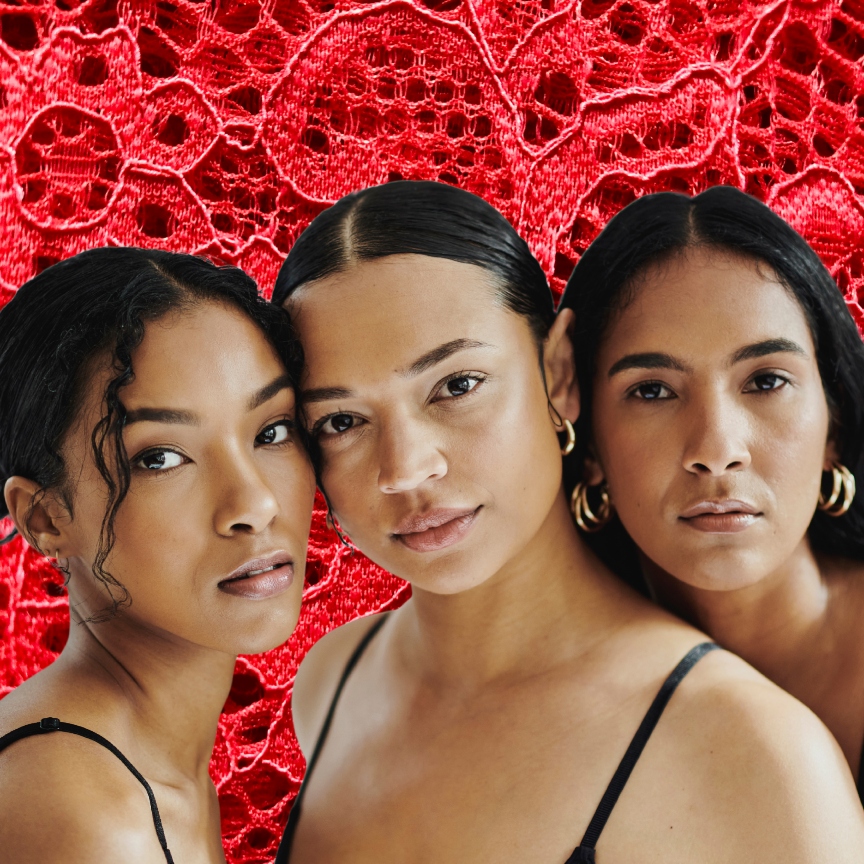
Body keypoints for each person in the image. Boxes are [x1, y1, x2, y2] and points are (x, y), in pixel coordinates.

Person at [271, 180, 864, 864]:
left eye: (457, 386)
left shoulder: (758, 755)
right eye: (342, 421)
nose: (405, 469)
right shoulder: (329, 682)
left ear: (558, 373)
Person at [0, 248, 316, 863]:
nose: (254, 503)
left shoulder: (130, 770)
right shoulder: (90, 817)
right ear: (44, 518)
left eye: (271, 430)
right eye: (160, 458)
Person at [557, 185, 864, 806]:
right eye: (653, 391)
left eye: (766, 380)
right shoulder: (551, 701)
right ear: (590, 449)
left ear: (832, 427)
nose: (717, 447)